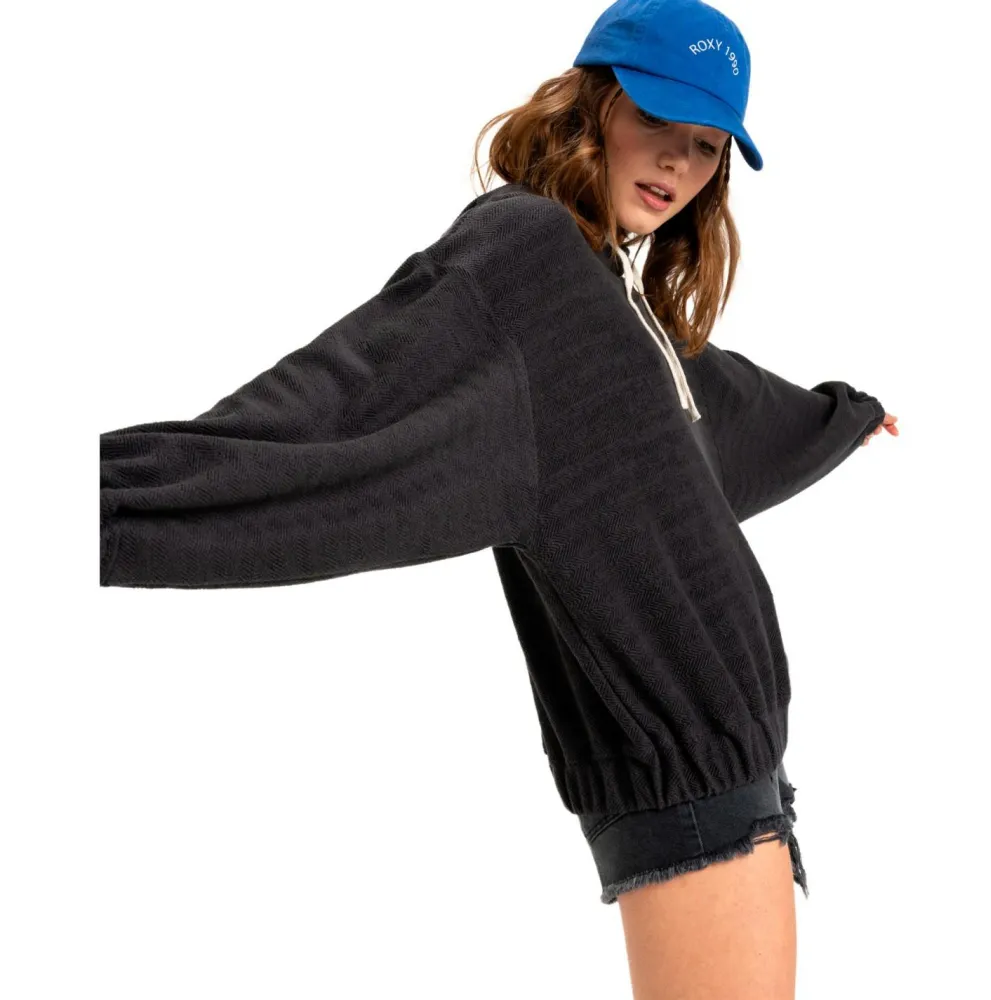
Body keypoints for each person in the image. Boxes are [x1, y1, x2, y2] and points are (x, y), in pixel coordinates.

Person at [99, 0, 898, 996]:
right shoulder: (526, 253)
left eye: (706, 147)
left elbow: (701, 415)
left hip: (733, 771)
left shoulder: (606, 295)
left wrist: (839, 418)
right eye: (657, 118)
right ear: (591, 104)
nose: (678, 162)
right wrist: (94, 502)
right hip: (691, 784)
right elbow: (339, 410)